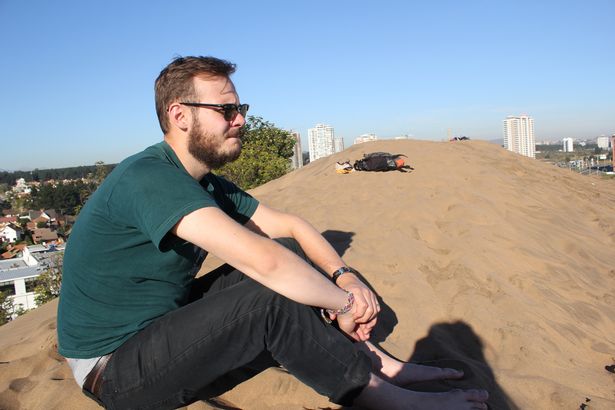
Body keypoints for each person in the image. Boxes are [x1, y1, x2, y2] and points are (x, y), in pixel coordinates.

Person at [57, 56, 489, 410]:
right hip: (113, 368)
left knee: (283, 255)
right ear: (179, 115)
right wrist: (344, 305)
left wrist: (345, 278)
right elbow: (262, 263)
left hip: (160, 326)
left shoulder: (201, 181)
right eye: (226, 110)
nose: (241, 119)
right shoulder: (149, 178)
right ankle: (390, 400)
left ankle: (377, 362)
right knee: (270, 296)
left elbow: (288, 227)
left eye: (240, 108)